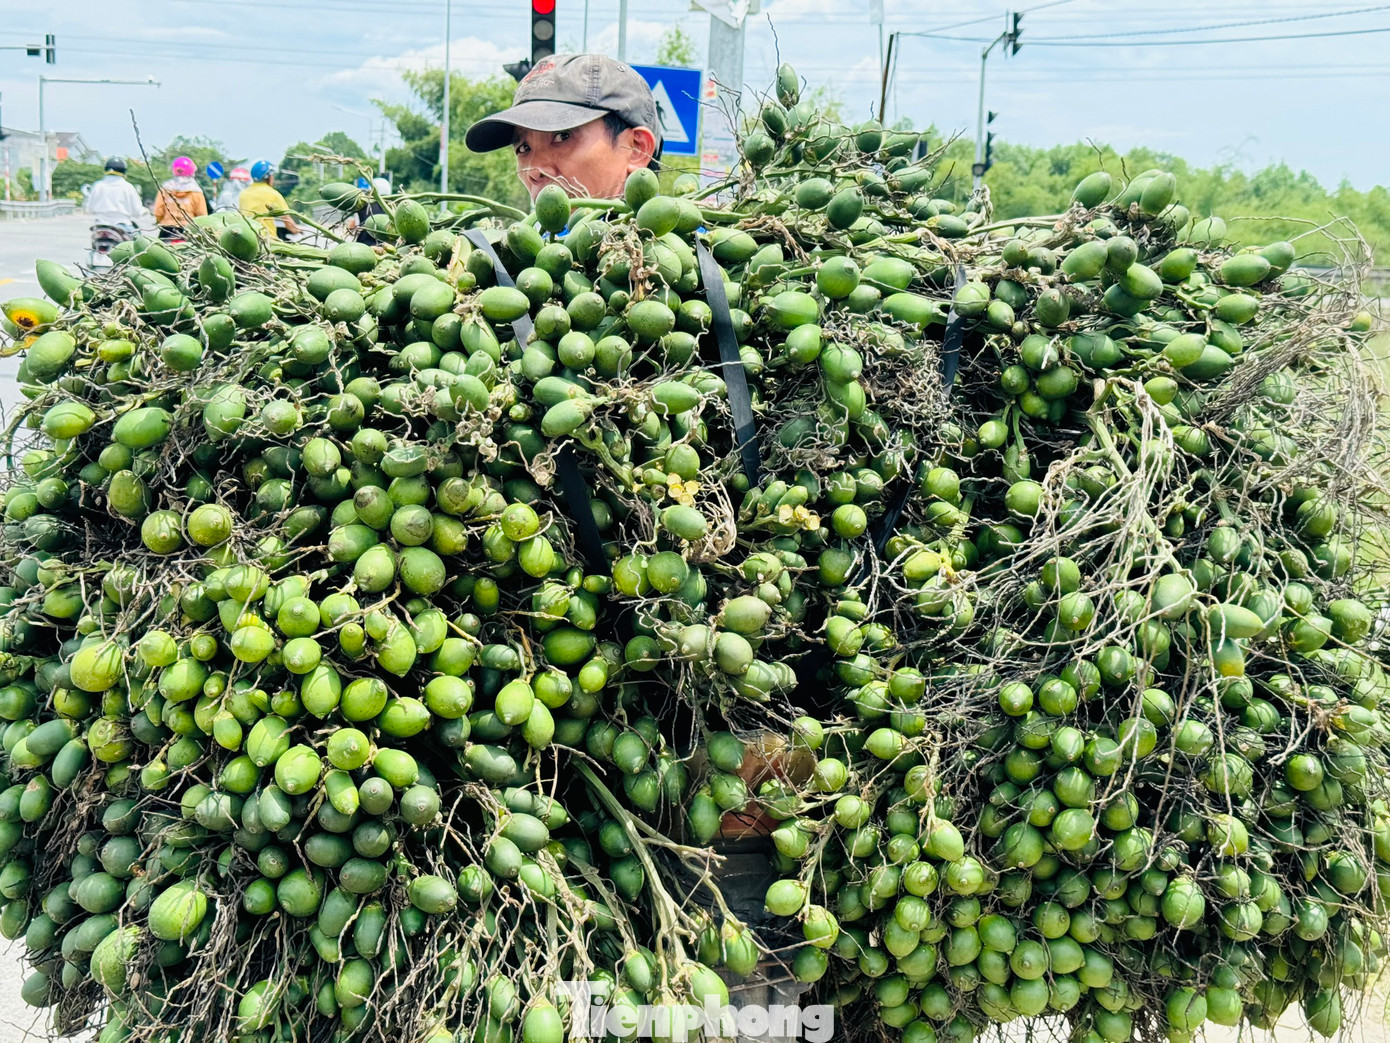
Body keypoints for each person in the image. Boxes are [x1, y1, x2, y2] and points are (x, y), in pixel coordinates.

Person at [465, 53, 662, 202]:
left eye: (562, 136)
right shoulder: (517, 244)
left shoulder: (677, 244)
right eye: (524, 148)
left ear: (637, 148)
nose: (534, 171)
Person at [238, 160, 302, 239]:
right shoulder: (273, 194)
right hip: (267, 239)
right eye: (272, 175)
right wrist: (297, 230)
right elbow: (287, 221)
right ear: (268, 177)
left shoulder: (243, 194)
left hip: (247, 238)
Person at [152, 156, 208, 239]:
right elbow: (202, 215)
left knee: (160, 246)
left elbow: (158, 211)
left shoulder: (165, 189)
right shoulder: (196, 191)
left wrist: (160, 220)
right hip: (188, 230)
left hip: (167, 229)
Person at [84, 157, 144, 233]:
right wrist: (143, 211)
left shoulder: (98, 186)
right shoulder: (128, 187)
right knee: (138, 237)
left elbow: (89, 209)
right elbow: (137, 211)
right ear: (124, 171)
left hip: (100, 225)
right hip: (122, 225)